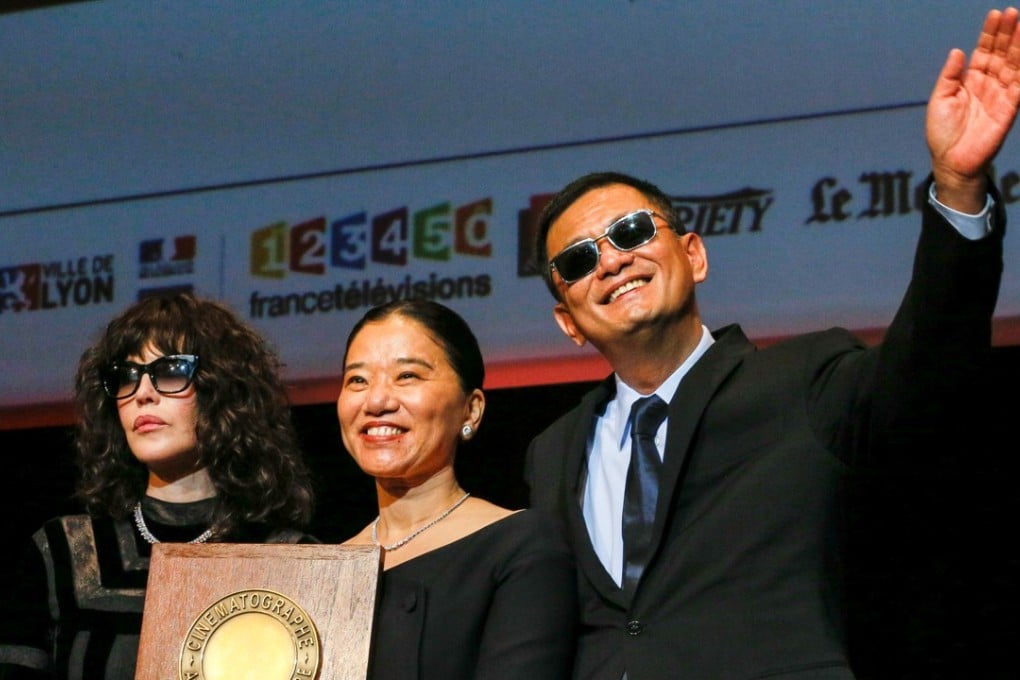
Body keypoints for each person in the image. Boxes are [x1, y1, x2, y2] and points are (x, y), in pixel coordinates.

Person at [525, 7, 1018, 680]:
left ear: (694, 255)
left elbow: (933, 363)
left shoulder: (805, 380)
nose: (611, 260)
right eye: (579, 261)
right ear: (568, 322)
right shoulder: (549, 455)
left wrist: (958, 189)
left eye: (634, 232)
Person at [0, 292, 318, 680]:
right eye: (127, 376)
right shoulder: (63, 554)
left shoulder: (291, 560)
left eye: (170, 371)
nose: (143, 393)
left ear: (223, 391)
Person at [338, 299, 577, 680]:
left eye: (408, 376)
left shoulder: (522, 547)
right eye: (358, 380)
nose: (377, 401)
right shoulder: (325, 568)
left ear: (471, 410)